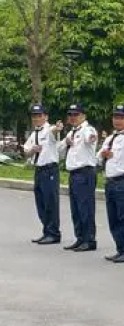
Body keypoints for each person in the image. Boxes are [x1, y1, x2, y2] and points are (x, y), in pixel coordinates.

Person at [99, 104, 124, 263]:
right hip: (111, 181)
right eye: (116, 117)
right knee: (113, 218)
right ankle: (120, 248)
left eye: (122, 117)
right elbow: (98, 157)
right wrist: (104, 154)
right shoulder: (110, 138)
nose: (118, 120)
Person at [57, 102, 99, 252]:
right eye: (70, 115)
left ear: (83, 116)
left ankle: (89, 239)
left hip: (85, 173)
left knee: (85, 207)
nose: (73, 117)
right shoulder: (71, 132)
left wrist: (92, 138)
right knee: (75, 208)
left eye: (76, 114)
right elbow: (59, 151)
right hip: (74, 174)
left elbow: (90, 138)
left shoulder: (88, 129)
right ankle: (80, 237)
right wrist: (66, 142)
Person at [23, 103, 61, 244]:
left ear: (46, 117)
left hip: (49, 170)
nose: (36, 119)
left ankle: (53, 233)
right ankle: (46, 230)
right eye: (34, 116)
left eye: (39, 116)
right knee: (41, 202)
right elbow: (26, 151)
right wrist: (32, 150)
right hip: (39, 170)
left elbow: (54, 132)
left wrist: (57, 128)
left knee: (50, 202)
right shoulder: (34, 134)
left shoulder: (48, 130)